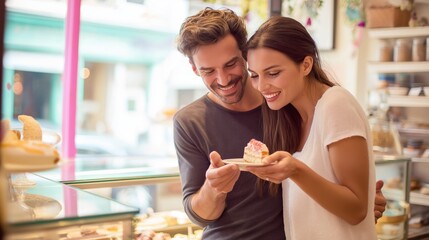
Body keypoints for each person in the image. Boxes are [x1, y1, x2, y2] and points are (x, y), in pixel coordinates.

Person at [174, 8, 385, 240]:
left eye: (231, 64)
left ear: (244, 57)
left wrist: (360, 200)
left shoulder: (283, 104)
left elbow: (344, 195)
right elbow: (199, 215)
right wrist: (214, 188)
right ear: (195, 69)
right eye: (208, 71)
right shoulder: (189, 122)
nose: (223, 79)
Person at [245, 16, 377, 239]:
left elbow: (356, 210)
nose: (262, 86)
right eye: (255, 76)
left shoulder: (336, 105)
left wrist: (296, 170)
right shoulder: (288, 116)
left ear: (306, 65)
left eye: (273, 73)